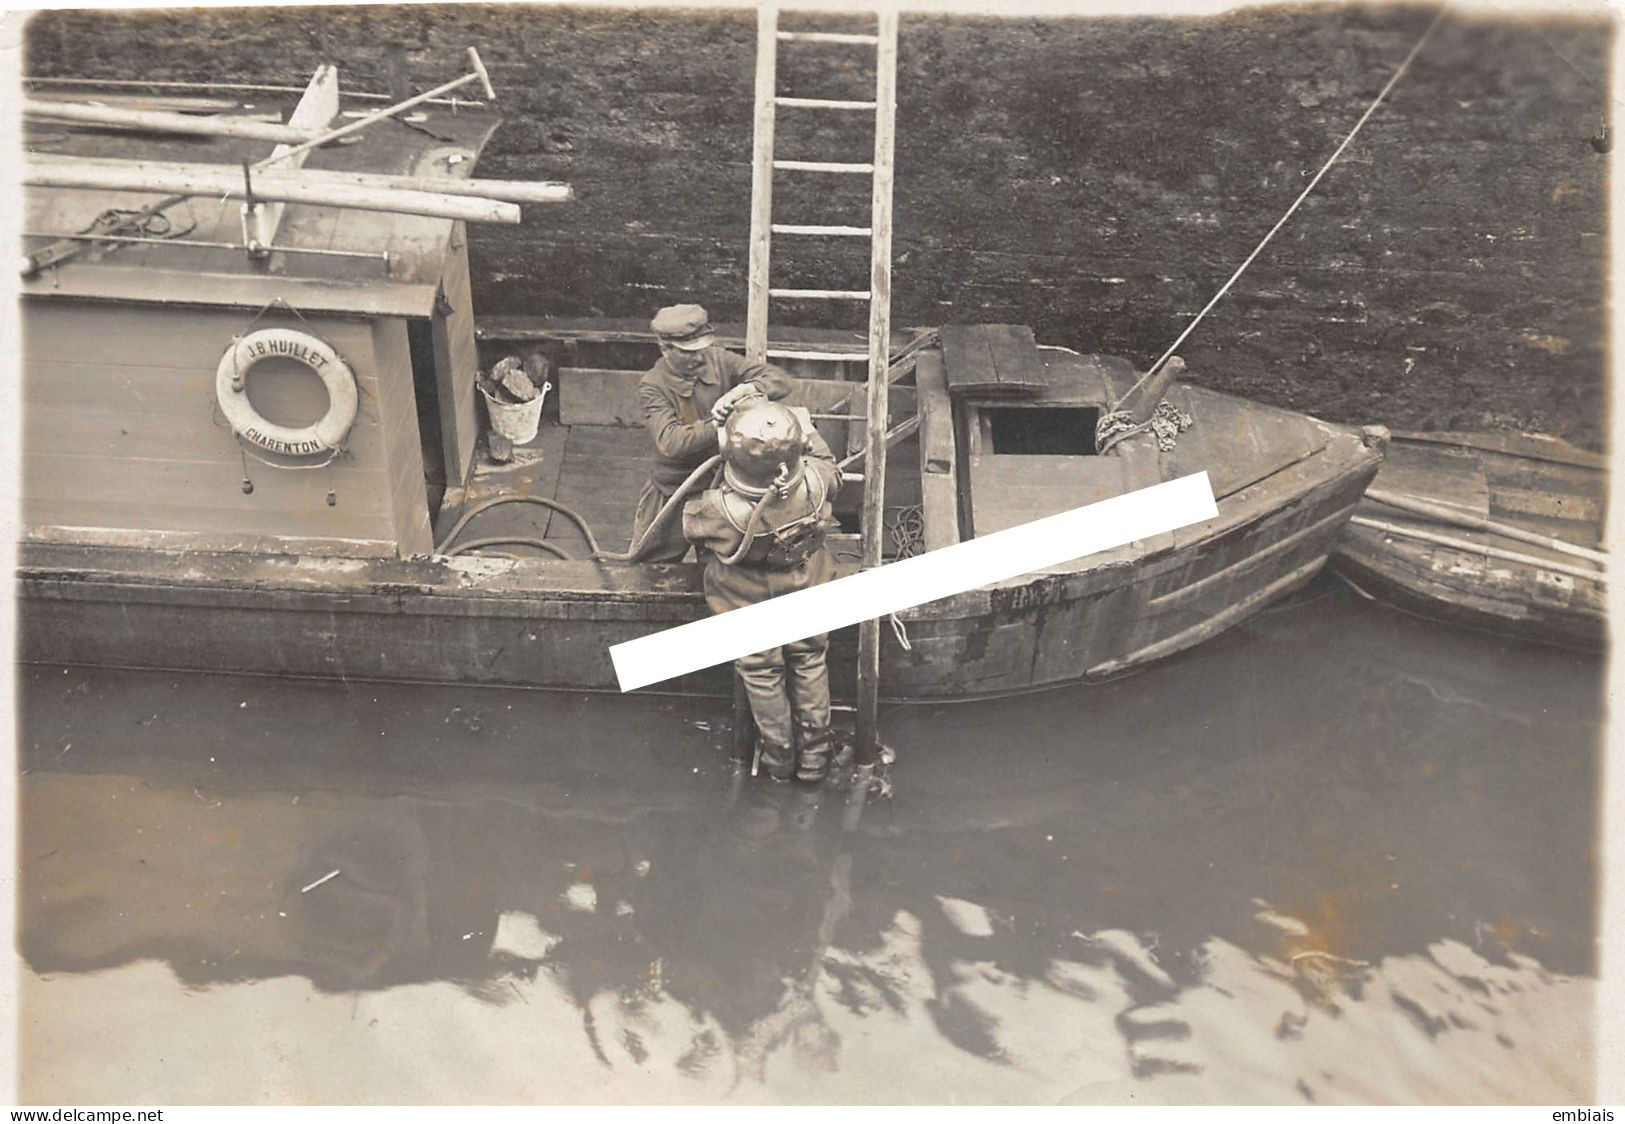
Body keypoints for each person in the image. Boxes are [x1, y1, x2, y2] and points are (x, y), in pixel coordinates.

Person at [683, 401, 843, 783]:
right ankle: (815, 758)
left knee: (760, 672)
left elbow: (689, 526)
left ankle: (779, 760)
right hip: (807, 586)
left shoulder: (719, 509)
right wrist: (806, 425)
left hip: (745, 597)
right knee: (809, 661)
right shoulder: (817, 481)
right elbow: (830, 465)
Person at [629, 304, 793, 562]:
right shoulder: (653, 384)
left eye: (701, 347)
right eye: (687, 352)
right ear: (665, 348)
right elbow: (671, 442)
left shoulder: (719, 359)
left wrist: (742, 391)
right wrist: (722, 424)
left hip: (723, 491)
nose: (698, 357)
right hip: (674, 491)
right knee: (648, 569)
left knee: (724, 571)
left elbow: (781, 380)